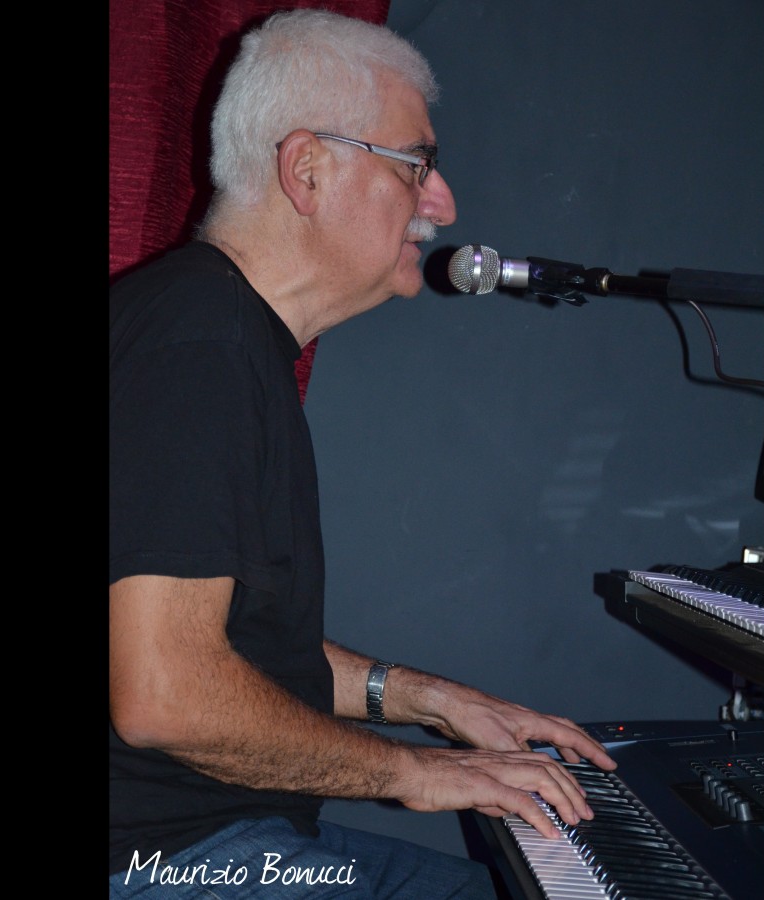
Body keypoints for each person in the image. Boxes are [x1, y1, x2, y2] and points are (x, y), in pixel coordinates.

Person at [109, 8, 616, 898]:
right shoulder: (199, 342)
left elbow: (234, 646)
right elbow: (166, 695)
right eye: (416, 163)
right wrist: (415, 773)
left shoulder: (217, 331)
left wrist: (432, 702)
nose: (442, 203)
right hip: (161, 862)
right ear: (307, 170)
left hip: (208, 841)